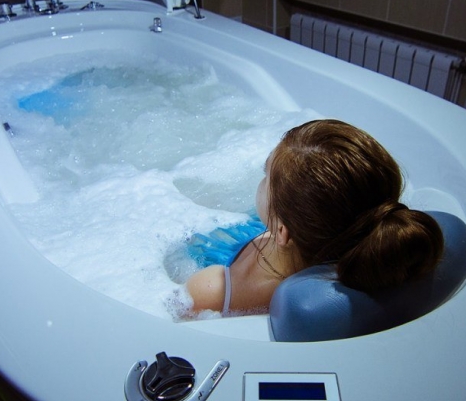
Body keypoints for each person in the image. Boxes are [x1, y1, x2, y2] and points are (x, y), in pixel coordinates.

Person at [186, 119, 444, 316]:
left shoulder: (212, 292)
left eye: (266, 176)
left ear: (282, 231)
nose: (261, 180)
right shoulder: (367, 240)